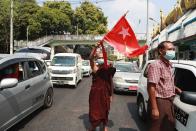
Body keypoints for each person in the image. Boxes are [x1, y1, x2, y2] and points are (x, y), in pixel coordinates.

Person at [147, 41, 182, 131]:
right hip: (160, 101)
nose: (173, 51)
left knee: (167, 127)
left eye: (173, 49)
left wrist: (175, 88)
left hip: (169, 100)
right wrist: (155, 108)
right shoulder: (155, 65)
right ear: (161, 51)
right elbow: (151, 87)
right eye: (170, 49)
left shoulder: (169, 65)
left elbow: (165, 82)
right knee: (157, 127)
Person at [88, 45, 116, 131]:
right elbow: (90, 58)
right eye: (98, 54)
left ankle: (104, 126)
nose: (100, 55)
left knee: (105, 110)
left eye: (101, 54)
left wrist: (111, 95)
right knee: (94, 111)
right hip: (95, 93)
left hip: (105, 93)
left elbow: (110, 82)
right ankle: (93, 126)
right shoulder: (95, 68)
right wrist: (95, 48)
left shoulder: (109, 68)